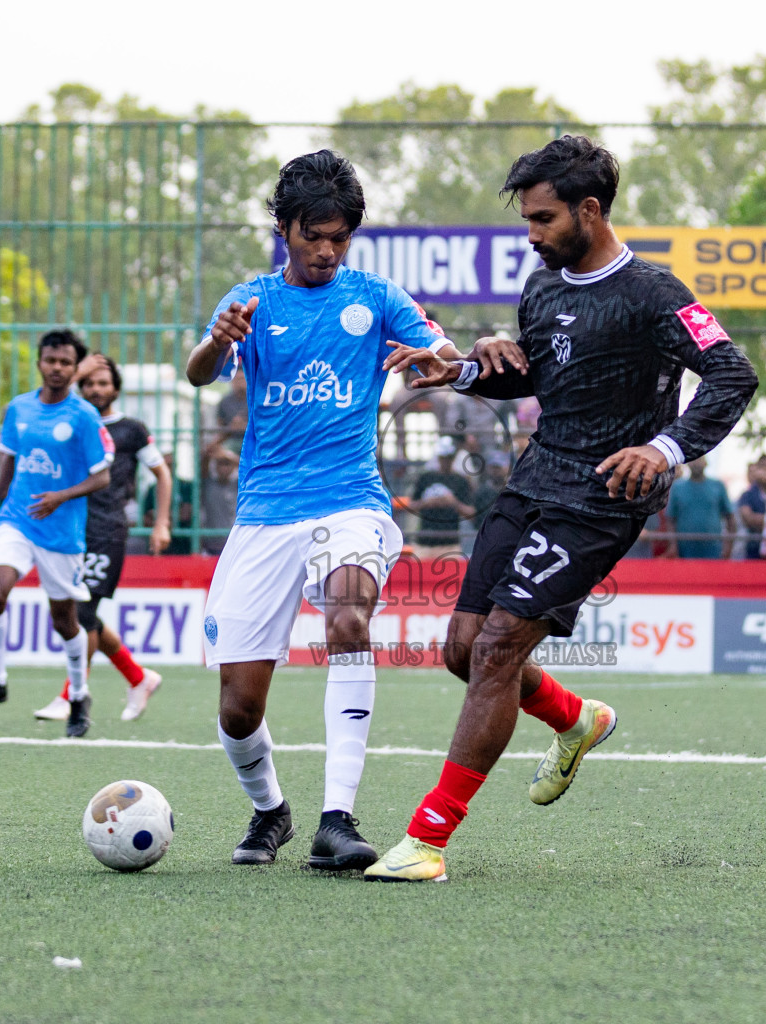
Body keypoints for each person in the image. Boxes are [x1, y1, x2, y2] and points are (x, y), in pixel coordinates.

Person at [371, 135, 757, 881]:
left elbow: (731, 374)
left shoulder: (654, 293)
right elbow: (537, 373)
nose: (532, 234)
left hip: (601, 499)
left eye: (543, 219)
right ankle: (576, 719)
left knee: (497, 649)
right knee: (463, 651)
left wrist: (665, 449)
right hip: (533, 481)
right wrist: (463, 370)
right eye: (527, 219)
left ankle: (427, 840)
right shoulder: (542, 287)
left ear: (590, 210)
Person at [183, 149, 464, 872]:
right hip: (265, 513)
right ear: (284, 229)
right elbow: (198, 371)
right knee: (238, 709)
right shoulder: (250, 302)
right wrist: (217, 342)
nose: (328, 251)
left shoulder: (375, 297)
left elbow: (439, 345)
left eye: (340, 238)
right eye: (314, 236)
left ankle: (337, 820)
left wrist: (442, 358)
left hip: (351, 501)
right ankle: (271, 810)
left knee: (348, 618)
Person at [0, 329, 114, 740]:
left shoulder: (84, 416)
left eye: (66, 362)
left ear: (74, 368)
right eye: (51, 360)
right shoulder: (19, 408)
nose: (57, 368)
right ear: (40, 363)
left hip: (62, 532)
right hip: (17, 518)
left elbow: (101, 477)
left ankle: (78, 696)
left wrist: (60, 496)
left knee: (65, 621)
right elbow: (8, 465)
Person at [32, 354, 172, 726]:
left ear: (115, 388)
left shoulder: (131, 430)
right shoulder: (74, 422)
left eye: (103, 383)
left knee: (82, 613)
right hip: (71, 530)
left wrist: (161, 523)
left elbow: (162, 473)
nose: (96, 389)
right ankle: (138, 678)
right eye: (90, 383)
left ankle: (70, 696)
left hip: (107, 530)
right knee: (82, 613)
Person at [409, 435, 474, 558]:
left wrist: (453, 503)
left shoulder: (460, 480)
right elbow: (410, 506)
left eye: (449, 458)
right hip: (424, 542)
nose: (446, 461)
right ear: (438, 457)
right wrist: (426, 503)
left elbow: (471, 512)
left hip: (450, 543)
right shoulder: (426, 478)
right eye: (443, 457)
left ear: (454, 458)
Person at [665, 454, 734, 559]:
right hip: (684, 550)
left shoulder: (718, 486)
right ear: (687, 463)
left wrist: (728, 547)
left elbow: (730, 518)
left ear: (706, 463)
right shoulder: (677, 487)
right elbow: (670, 519)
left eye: (700, 459)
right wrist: (673, 546)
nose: (696, 463)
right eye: (693, 459)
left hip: (713, 549)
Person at [198, 443, 239, 556]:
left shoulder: (238, 485)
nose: (224, 468)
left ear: (233, 467)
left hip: (233, 544)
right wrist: (215, 454)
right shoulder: (209, 484)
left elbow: (247, 467)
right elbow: (203, 464)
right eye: (220, 463)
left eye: (227, 464)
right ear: (215, 466)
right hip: (211, 545)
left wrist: (228, 455)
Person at [736, 454, 766, 559]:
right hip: (753, 548)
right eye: (762, 466)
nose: (765, 471)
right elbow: (748, 519)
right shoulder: (747, 495)